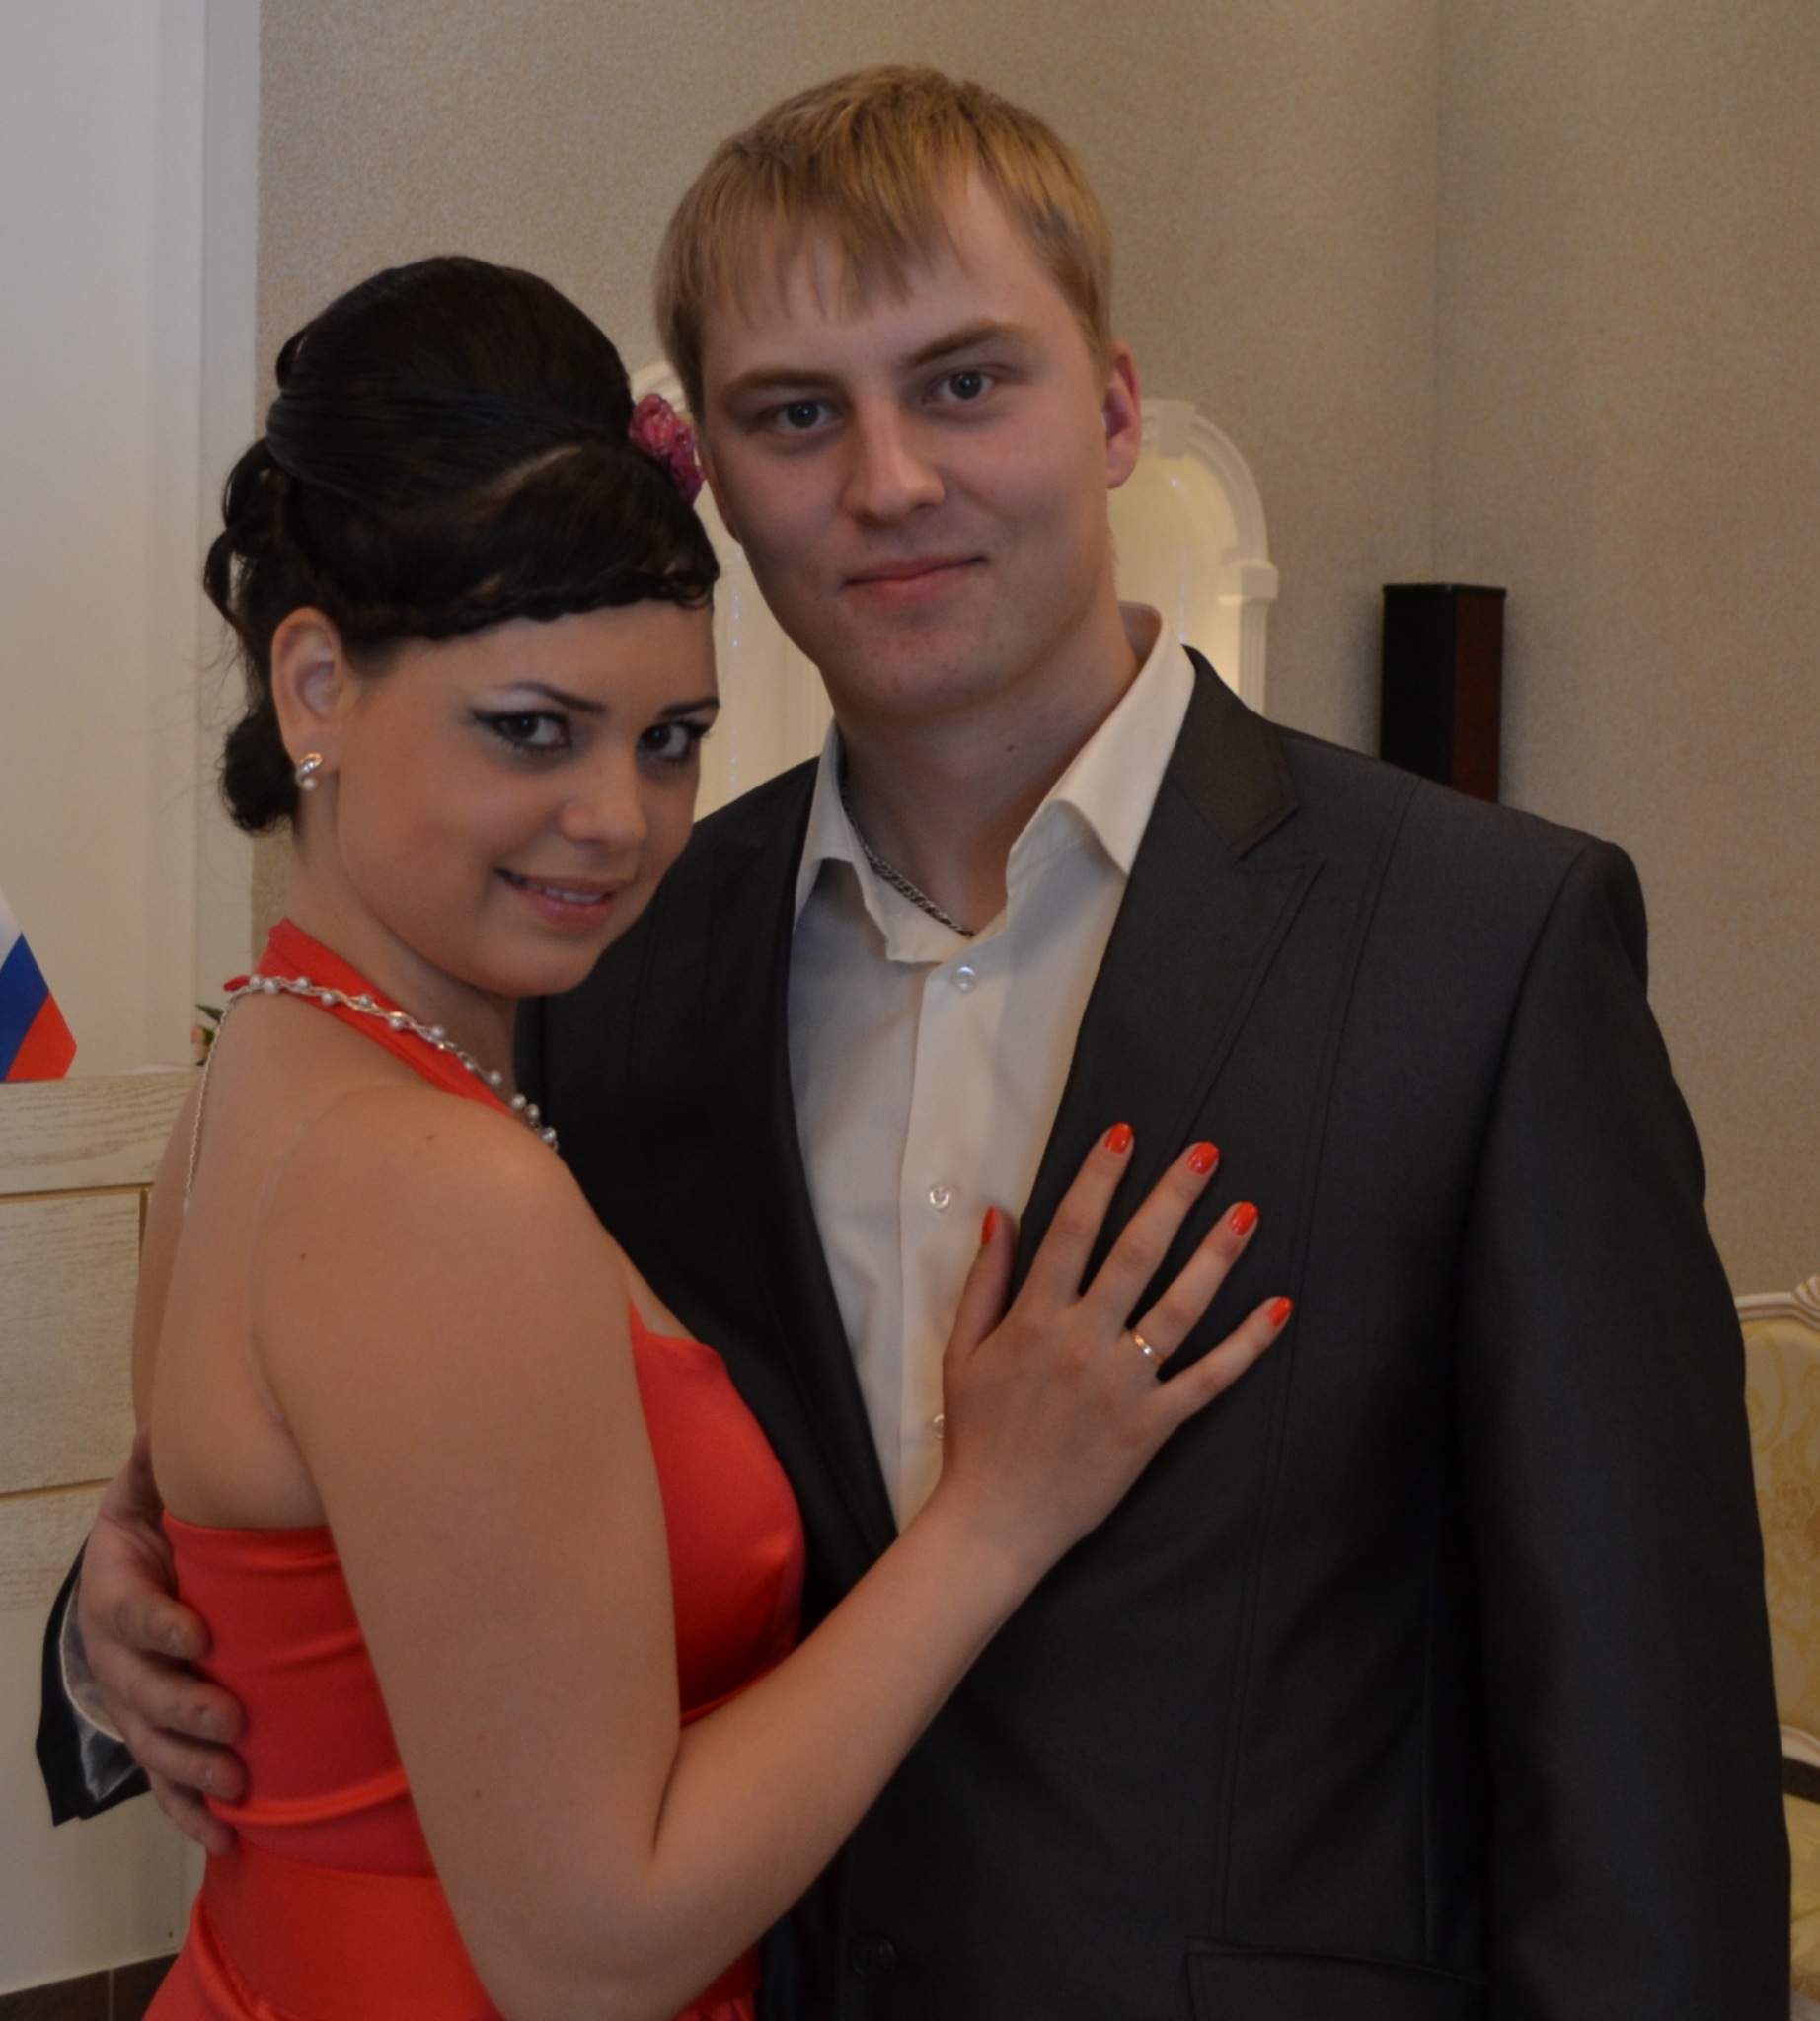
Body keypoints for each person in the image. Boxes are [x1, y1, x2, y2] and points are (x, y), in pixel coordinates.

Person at [46, 67, 1788, 2020]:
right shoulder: (603, 968)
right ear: (709, 474)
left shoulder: (1482, 949)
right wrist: (123, 1614)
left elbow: (1645, 1767)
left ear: (1112, 410)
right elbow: (424, 1504)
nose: (886, 481)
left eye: (964, 382)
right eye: (797, 413)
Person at [46, 254, 1284, 2021]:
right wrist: (995, 1519)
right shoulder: (438, 1183)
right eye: (531, 732)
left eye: (670, 740)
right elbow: (591, 1947)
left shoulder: (259, 1071)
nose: (616, 821)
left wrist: (127, 1580)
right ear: (314, 686)